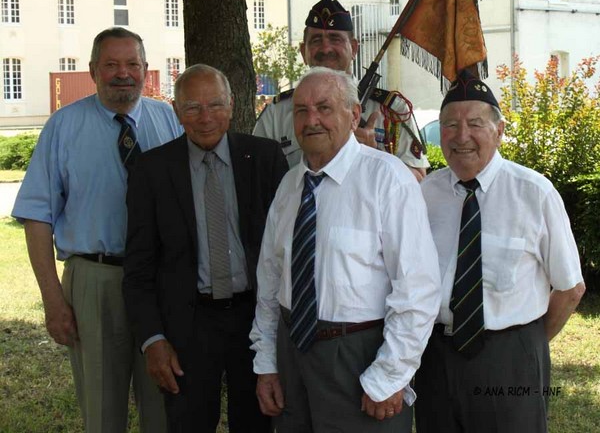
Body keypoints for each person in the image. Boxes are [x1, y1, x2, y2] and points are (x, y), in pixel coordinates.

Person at [250, 67, 441, 432]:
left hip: (360, 357)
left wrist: (389, 375)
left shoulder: (388, 179)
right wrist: (267, 364)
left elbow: (417, 290)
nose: (312, 120)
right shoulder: (290, 186)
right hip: (293, 352)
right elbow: (270, 283)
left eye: (324, 108)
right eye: (302, 110)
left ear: (353, 115)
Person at [11, 27, 182, 433]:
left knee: (165, 405)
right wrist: (53, 301)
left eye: (132, 64)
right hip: (95, 279)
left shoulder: (169, 121)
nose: (123, 74)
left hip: (159, 282)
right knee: (103, 412)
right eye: (111, 65)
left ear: (146, 70)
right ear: (92, 71)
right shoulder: (63, 126)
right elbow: (37, 217)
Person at [415, 69, 586, 433]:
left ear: (499, 130)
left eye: (475, 123)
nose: (462, 136)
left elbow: (570, 289)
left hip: (510, 355)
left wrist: (526, 346)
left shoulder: (534, 193)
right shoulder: (424, 195)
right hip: (433, 356)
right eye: (449, 125)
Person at [122, 64, 288, 433]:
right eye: (192, 108)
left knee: (257, 424)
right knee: (188, 423)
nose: (205, 117)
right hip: (188, 325)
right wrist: (153, 339)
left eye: (215, 105)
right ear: (177, 112)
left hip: (255, 320)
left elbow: (285, 251)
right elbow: (138, 269)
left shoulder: (265, 158)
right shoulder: (151, 171)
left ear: (231, 106)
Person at [253, 0, 429, 180]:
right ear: (303, 52)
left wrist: (375, 156)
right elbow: (256, 176)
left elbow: (418, 177)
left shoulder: (391, 110)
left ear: (353, 48)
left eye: (335, 38)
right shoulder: (276, 114)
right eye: (316, 40)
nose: (326, 48)